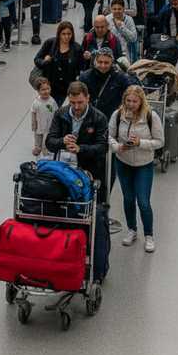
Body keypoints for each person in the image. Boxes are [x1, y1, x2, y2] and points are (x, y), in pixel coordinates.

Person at [108, 85, 163, 253]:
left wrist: (141, 143)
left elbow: (159, 141)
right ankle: (132, 229)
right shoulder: (117, 115)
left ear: (141, 101)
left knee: (144, 202)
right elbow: (109, 135)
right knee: (128, 199)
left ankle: (149, 235)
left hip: (143, 165)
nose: (131, 104)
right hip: (123, 163)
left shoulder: (150, 117)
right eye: (128, 101)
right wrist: (117, 147)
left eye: (134, 101)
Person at [45, 80, 109, 203]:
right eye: (72, 103)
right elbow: (49, 142)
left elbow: (102, 147)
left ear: (88, 98)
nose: (76, 107)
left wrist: (80, 149)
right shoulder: (60, 113)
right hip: (64, 171)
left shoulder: (99, 118)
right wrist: (62, 141)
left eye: (80, 102)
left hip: (89, 172)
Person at [79, 48, 138, 128]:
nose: (103, 66)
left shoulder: (120, 77)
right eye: (100, 62)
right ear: (95, 61)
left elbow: (132, 92)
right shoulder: (85, 77)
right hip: (91, 119)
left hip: (113, 120)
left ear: (112, 63)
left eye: (106, 63)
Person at [33, 21, 84, 106]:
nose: (66, 37)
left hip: (64, 88)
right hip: (48, 85)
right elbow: (37, 59)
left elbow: (81, 67)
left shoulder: (77, 49)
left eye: (69, 34)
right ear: (59, 34)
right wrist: (45, 61)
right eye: (63, 34)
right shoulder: (50, 43)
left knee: (54, 108)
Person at [30, 77, 57, 158]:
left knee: (45, 142)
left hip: (49, 126)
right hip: (39, 125)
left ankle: (45, 153)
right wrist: (33, 123)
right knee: (38, 138)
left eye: (48, 88)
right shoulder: (36, 102)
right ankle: (37, 148)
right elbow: (33, 112)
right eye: (43, 89)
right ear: (38, 91)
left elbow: (56, 112)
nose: (46, 91)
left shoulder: (52, 101)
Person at [107, 0, 138, 64]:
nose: (117, 11)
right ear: (111, 9)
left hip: (125, 54)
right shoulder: (107, 19)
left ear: (123, 9)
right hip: (110, 53)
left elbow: (133, 38)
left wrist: (122, 27)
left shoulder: (129, 20)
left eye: (119, 9)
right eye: (114, 9)